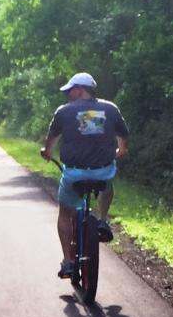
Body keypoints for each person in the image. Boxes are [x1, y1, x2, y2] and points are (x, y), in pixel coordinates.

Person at [40, 72, 129, 279]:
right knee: (106, 183)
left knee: (64, 213)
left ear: (80, 89)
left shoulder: (64, 112)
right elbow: (124, 136)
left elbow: (51, 138)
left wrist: (47, 152)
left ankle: (68, 262)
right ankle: (103, 220)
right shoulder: (110, 108)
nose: (69, 94)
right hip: (103, 170)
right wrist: (121, 151)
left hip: (74, 173)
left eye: (71, 90)